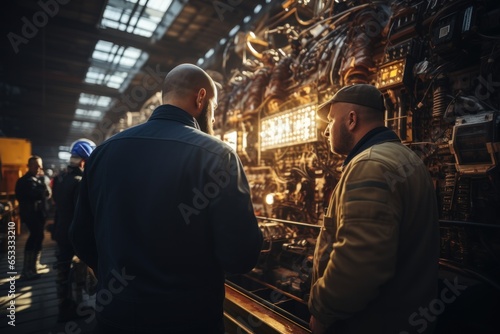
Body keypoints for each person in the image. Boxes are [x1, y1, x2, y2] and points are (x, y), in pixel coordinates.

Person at [69, 63, 263, 333]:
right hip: (189, 320)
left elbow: (80, 237)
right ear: (201, 98)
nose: (214, 117)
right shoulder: (218, 156)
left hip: (117, 316)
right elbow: (239, 257)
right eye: (215, 108)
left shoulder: (103, 153)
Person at [308, 84, 440, 334]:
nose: (326, 130)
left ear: (351, 120)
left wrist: (323, 311)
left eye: (331, 120)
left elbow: (359, 262)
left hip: (372, 323)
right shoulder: (407, 159)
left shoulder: (370, 164)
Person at [52, 138, 96, 322]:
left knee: (63, 268)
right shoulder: (79, 181)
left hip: (61, 229)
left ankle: (64, 306)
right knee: (79, 267)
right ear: (84, 161)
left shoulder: (60, 179)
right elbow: (82, 214)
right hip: (73, 233)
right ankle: (76, 306)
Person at [15, 155, 52, 280]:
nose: (38, 168)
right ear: (28, 166)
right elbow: (33, 195)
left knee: (39, 236)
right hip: (30, 215)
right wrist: (42, 189)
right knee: (34, 236)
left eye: (40, 166)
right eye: (35, 166)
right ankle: (26, 270)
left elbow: (46, 194)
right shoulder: (24, 181)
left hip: (39, 214)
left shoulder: (38, 180)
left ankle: (34, 265)